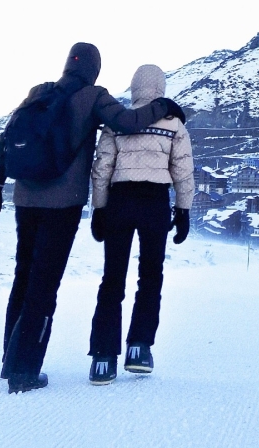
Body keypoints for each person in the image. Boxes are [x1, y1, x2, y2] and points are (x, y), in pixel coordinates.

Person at [0, 42, 186, 394]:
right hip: (63, 204)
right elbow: (128, 122)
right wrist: (163, 106)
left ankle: (9, 360)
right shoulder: (94, 96)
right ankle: (25, 372)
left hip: (26, 199)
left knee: (23, 275)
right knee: (44, 286)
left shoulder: (40, 92)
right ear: (94, 69)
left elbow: (7, 138)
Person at [87, 64, 194, 385]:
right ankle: (139, 348)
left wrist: (99, 209)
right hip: (155, 202)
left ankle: (103, 359)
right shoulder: (174, 124)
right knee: (150, 277)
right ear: (160, 87)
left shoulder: (117, 121)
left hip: (120, 200)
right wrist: (183, 210)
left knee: (112, 279)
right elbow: (184, 171)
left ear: (134, 88)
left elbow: (102, 168)